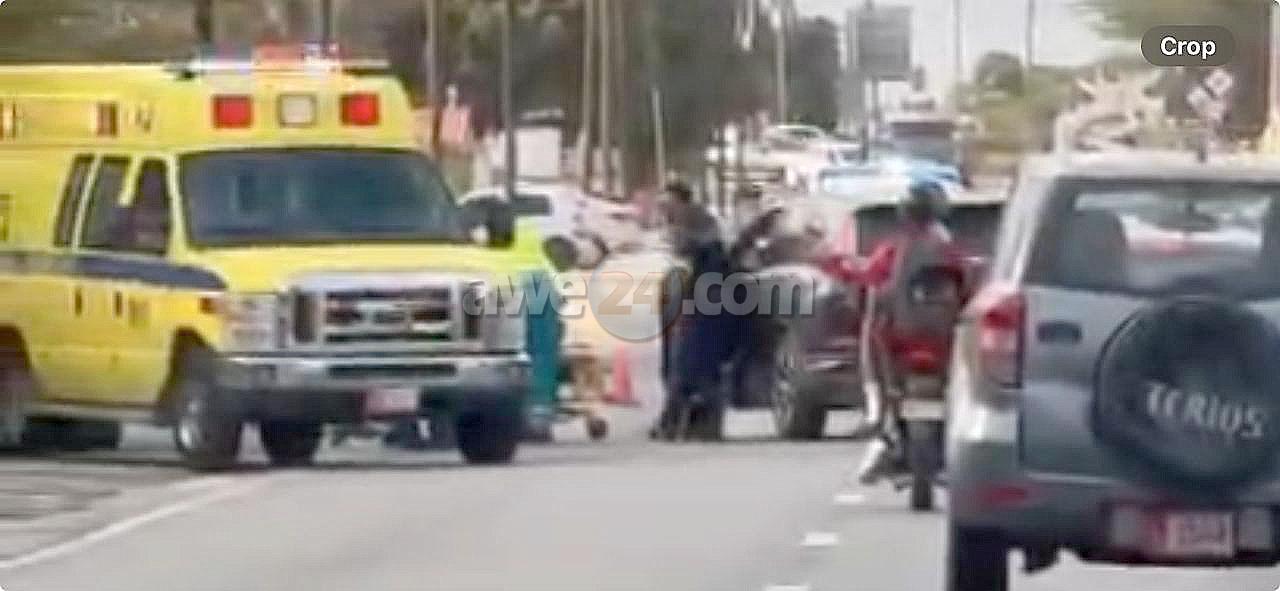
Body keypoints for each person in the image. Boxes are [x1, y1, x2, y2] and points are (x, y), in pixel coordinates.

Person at [824, 178, 966, 483]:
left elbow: (866, 274)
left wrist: (838, 266)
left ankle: (879, 416)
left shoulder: (900, 249)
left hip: (910, 340)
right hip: (928, 342)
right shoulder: (947, 250)